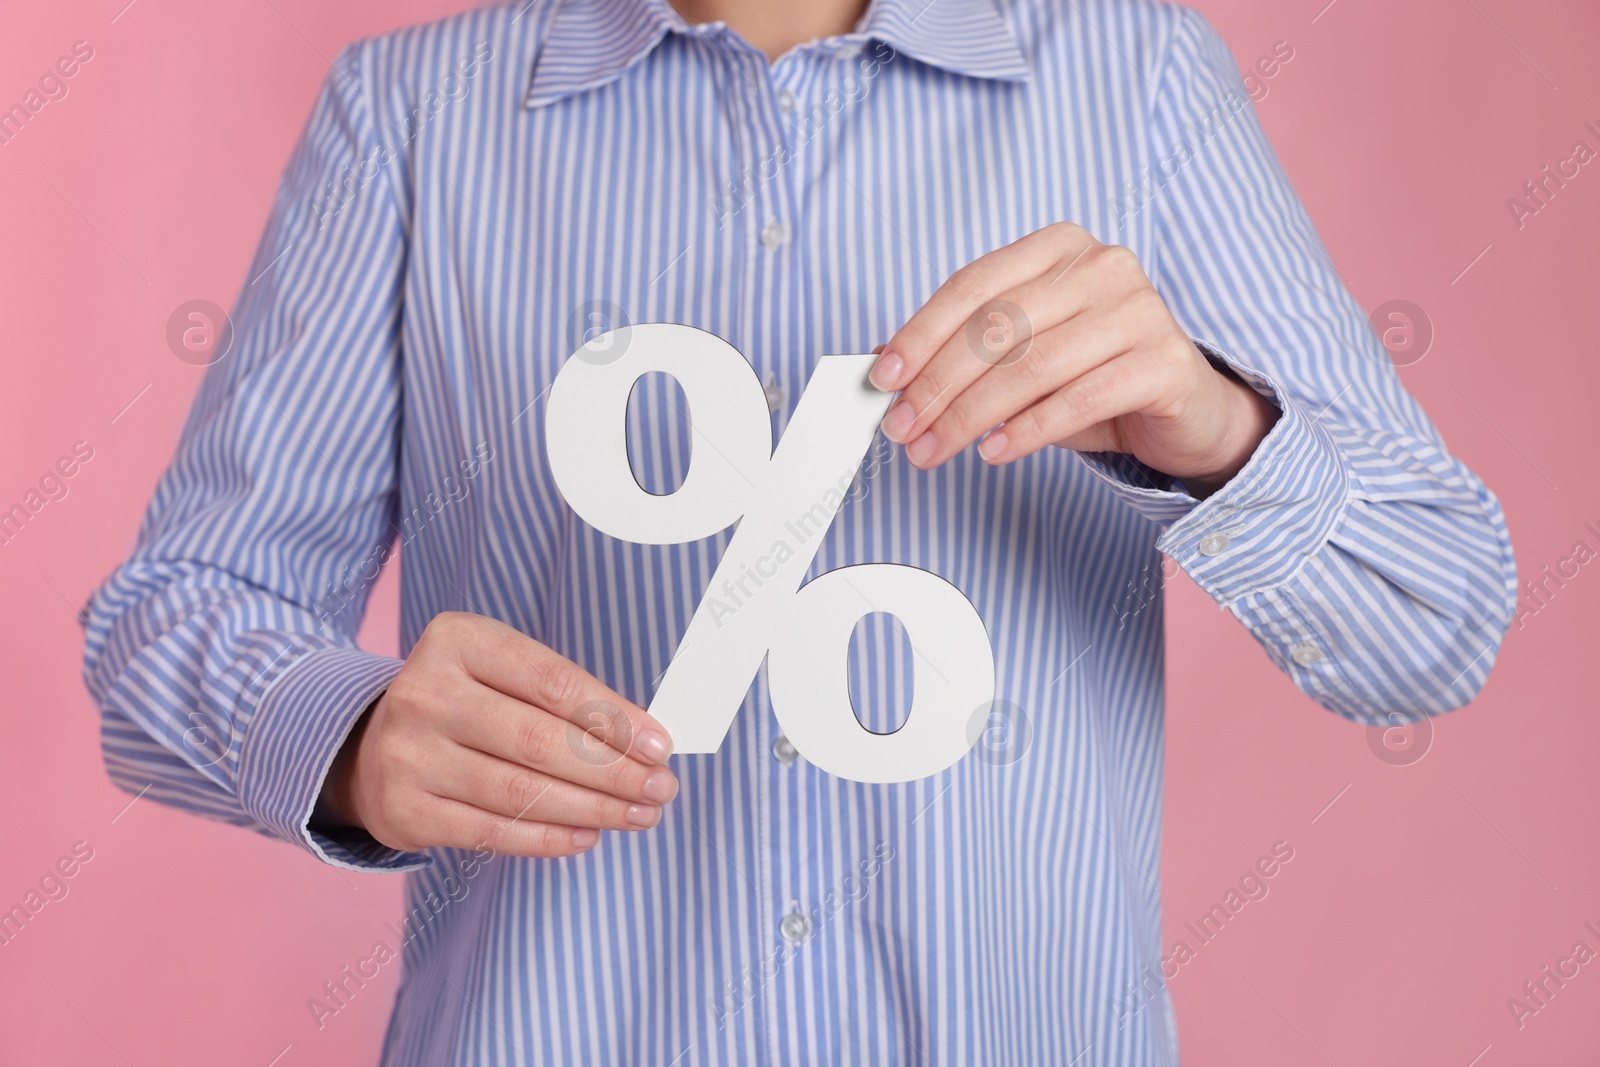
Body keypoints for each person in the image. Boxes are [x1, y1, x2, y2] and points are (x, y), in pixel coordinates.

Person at [82, 0, 1516, 1062]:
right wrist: (348, 737)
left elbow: (1432, 623)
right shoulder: (412, 112)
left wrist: (1217, 430)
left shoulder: (1135, 77)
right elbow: (176, 610)